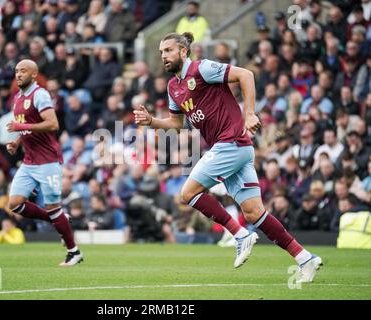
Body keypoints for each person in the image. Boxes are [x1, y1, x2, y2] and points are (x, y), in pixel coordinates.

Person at [134, 32, 322, 283]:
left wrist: (250, 114)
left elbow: (246, 74)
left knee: (188, 193)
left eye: (168, 50)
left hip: (230, 143)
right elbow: (176, 124)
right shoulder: (173, 87)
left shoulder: (202, 69)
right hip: (236, 149)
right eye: (161, 52)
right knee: (254, 213)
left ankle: (240, 234)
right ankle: (304, 258)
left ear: (183, 51)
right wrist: (151, 122)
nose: (164, 56)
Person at [6, 59, 83, 267]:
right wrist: (16, 141)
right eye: (16, 71)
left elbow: (52, 124)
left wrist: (19, 126)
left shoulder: (39, 94)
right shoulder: (18, 98)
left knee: (52, 206)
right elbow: (27, 128)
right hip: (29, 160)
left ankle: (73, 252)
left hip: (48, 160)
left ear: (33, 74)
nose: (18, 74)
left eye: (23, 71)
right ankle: (59, 219)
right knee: (14, 204)